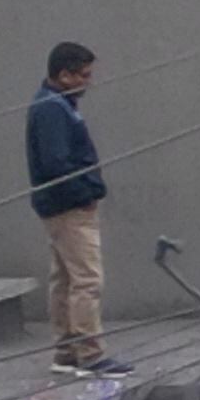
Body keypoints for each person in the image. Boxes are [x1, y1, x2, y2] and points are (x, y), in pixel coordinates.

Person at [26, 41, 127, 369]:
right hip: (69, 206)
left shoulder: (53, 104)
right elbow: (58, 164)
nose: (88, 82)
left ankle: (67, 350)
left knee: (65, 279)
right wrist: (89, 189)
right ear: (64, 75)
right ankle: (90, 354)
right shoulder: (52, 109)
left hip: (58, 206)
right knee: (86, 279)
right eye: (83, 75)